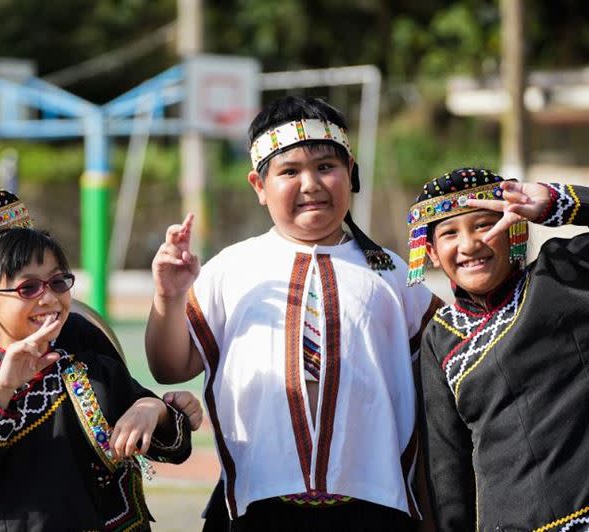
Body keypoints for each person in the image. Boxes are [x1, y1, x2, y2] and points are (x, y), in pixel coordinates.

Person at [146, 96, 442, 530]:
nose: (311, 184)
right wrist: (168, 298)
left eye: (326, 167)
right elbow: (169, 367)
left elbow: (444, 369)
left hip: (375, 504)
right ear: (259, 186)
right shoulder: (232, 268)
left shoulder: (393, 273)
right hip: (256, 503)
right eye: (289, 171)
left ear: (351, 171)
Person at [0, 190, 202, 531]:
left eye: (58, 281)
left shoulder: (86, 358)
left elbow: (171, 442)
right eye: (27, 286)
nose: (48, 298)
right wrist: (3, 388)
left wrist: (156, 409)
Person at [406, 168, 589, 531]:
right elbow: (447, 472)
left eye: (484, 225)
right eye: (450, 233)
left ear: (516, 228)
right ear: (432, 253)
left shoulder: (566, 274)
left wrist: (559, 202)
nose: (469, 245)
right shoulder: (441, 338)